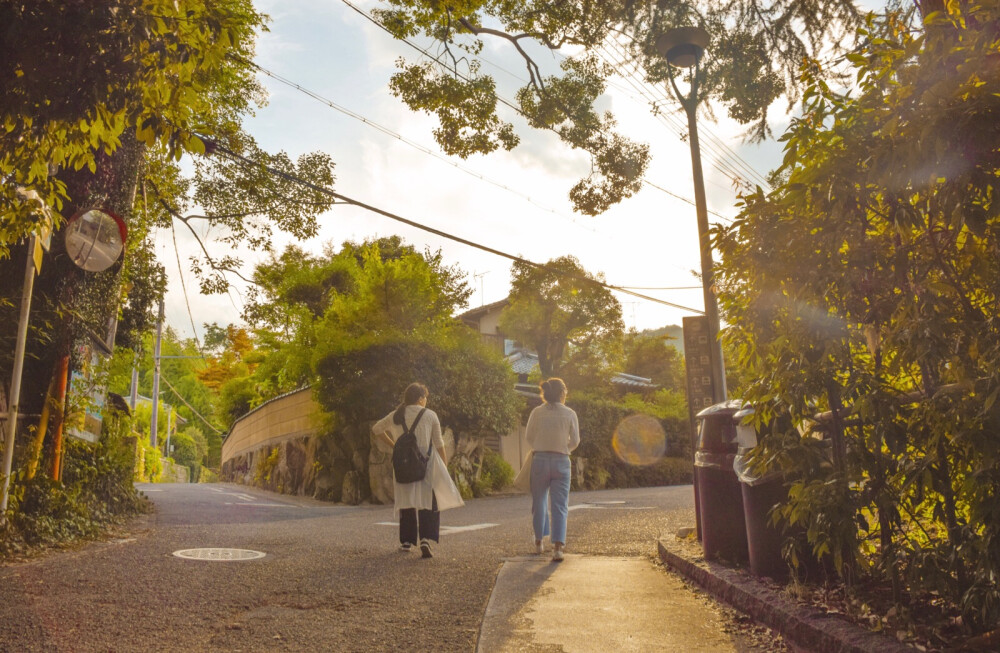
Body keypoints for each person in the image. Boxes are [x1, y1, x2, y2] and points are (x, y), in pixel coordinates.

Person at [372, 382, 463, 558]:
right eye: (425, 397)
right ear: (421, 399)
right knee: (429, 500)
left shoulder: (396, 415)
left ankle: (407, 542)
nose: (426, 400)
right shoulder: (430, 415)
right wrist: (443, 466)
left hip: (402, 465)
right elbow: (439, 444)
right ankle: (426, 540)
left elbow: (376, 429)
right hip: (425, 465)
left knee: (406, 500)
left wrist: (394, 445)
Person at [525, 377, 580, 562]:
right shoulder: (570, 413)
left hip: (540, 460)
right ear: (562, 393)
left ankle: (539, 542)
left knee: (539, 502)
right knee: (559, 505)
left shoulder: (536, 412)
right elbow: (575, 441)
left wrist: (540, 446)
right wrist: (565, 449)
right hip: (562, 461)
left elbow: (529, 436)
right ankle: (558, 548)